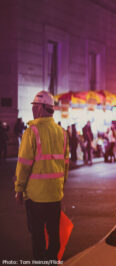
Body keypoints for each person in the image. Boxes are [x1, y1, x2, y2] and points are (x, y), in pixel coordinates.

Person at [14, 90, 69, 260]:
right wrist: (60, 185)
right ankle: (52, 261)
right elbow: (65, 164)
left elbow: (23, 165)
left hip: (36, 197)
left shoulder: (32, 132)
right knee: (54, 234)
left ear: (43, 108)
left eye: (36, 106)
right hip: (55, 195)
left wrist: (19, 189)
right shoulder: (62, 132)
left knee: (37, 235)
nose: (33, 109)